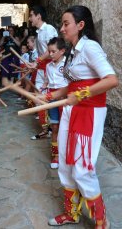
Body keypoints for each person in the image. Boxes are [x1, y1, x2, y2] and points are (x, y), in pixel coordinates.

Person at [45, 5, 118, 228]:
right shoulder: (74, 51)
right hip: (72, 110)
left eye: (66, 23)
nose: (62, 28)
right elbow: (73, 85)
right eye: (62, 23)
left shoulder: (90, 48)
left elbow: (111, 80)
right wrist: (50, 96)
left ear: (80, 25)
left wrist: (82, 95)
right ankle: (71, 213)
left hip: (89, 112)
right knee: (66, 163)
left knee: (82, 168)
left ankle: (100, 220)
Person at [37, 37, 69, 169]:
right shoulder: (49, 66)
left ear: (62, 51)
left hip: (66, 98)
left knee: (66, 128)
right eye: (49, 51)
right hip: (52, 97)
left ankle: (66, 155)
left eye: (53, 51)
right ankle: (55, 156)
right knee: (55, 127)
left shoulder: (68, 63)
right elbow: (47, 81)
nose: (50, 54)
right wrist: (42, 89)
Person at [29, 5, 58, 138]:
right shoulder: (39, 31)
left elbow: (51, 50)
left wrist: (38, 61)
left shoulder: (49, 29)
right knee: (39, 97)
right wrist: (34, 62)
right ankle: (46, 128)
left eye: (31, 16)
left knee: (44, 97)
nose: (30, 19)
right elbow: (42, 53)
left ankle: (50, 128)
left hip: (49, 67)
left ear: (38, 16)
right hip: (42, 67)